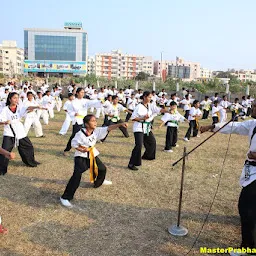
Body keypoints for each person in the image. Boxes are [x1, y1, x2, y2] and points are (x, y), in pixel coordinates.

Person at [200, 102, 256, 256]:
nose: (253, 109)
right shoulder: (253, 124)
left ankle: (249, 248)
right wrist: (211, 127)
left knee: (247, 209)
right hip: (251, 170)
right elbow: (234, 127)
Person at [60, 115, 128, 208]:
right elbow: (74, 144)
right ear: (87, 124)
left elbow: (109, 128)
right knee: (76, 176)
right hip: (81, 156)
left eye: (95, 120)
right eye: (92, 121)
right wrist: (81, 149)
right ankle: (65, 197)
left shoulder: (96, 131)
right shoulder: (80, 134)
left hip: (92, 153)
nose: (95, 122)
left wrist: (120, 124)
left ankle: (98, 182)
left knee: (102, 169)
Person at [0, 92, 40, 175]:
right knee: (5, 150)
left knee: (28, 147)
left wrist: (36, 106)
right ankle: (2, 169)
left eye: (17, 98)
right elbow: (1, 121)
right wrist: (4, 122)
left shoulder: (19, 107)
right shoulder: (5, 109)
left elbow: (28, 108)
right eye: (14, 98)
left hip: (20, 130)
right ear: (10, 99)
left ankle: (30, 162)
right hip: (9, 132)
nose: (16, 100)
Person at [128, 91, 166, 171]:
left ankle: (148, 156)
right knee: (138, 145)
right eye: (149, 97)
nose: (150, 99)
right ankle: (131, 163)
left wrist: (168, 111)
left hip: (146, 128)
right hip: (138, 128)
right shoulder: (139, 106)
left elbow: (158, 110)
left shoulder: (150, 105)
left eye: (151, 97)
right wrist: (142, 118)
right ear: (144, 97)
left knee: (152, 142)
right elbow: (133, 118)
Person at [63, 88, 100, 156]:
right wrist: (74, 114)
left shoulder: (85, 101)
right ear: (77, 93)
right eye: (81, 92)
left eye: (83, 92)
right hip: (77, 120)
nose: (83, 94)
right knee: (74, 135)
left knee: (88, 134)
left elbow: (93, 102)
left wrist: (100, 101)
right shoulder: (73, 102)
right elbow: (69, 111)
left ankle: (87, 148)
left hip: (85, 120)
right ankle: (66, 150)